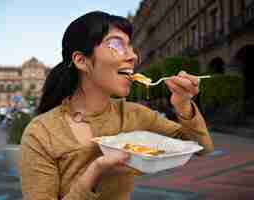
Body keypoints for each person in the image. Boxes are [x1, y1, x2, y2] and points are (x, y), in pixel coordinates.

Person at [19, 11, 214, 200]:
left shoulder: (134, 114)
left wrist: (183, 104)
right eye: (117, 45)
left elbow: (202, 148)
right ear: (81, 60)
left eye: (130, 47)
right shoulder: (41, 132)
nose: (133, 56)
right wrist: (95, 172)